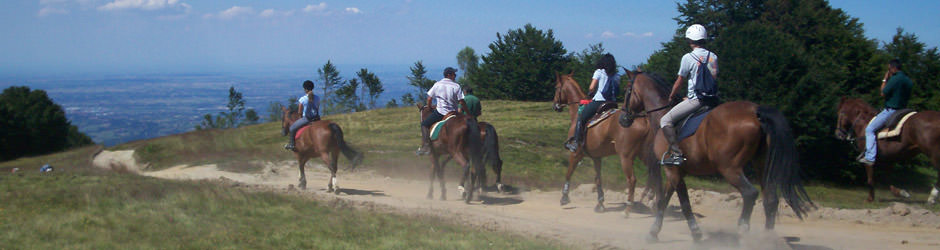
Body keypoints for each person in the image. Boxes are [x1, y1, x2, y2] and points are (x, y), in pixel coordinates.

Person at [660, 24, 718, 165]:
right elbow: (714, 78)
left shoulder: (688, 57)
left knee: (665, 121)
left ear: (690, 40)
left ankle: (677, 154)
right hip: (712, 99)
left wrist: (672, 96)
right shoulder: (713, 57)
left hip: (696, 100)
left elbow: (680, 81)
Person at [859, 59, 913, 166]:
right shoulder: (908, 80)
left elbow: (883, 93)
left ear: (892, 68)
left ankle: (870, 157)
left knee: (869, 129)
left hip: (891, 110)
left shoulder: (895, 79)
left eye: (889, 68)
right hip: (904, 110)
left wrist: (885, 79)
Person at [564, 53, 619, 152]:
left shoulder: (599, 72)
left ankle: (576, 142)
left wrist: (590, 93)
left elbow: (591, 87)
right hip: (613, 104)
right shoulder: (617, 76)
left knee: (581, 116)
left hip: (599, 101)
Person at [416, 67, 468, 155]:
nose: (455, 76)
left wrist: (429, 107)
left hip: (441, 113)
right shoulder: (456, 86)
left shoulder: (437, 84)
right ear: (449, 75)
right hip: (454, 113)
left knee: (424, 124)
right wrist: (467, 112)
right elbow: (461, 101)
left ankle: (426, 146)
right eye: (454, 74)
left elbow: (429, 98)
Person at [285, 80, 321, 151]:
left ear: (305, 89)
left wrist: (300, 118)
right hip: (317, 118)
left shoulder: (302, 99)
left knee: (292, 128)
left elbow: (300, 112)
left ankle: (291, 145)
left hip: (307, 119)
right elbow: (317, 108)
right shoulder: (317, 98)